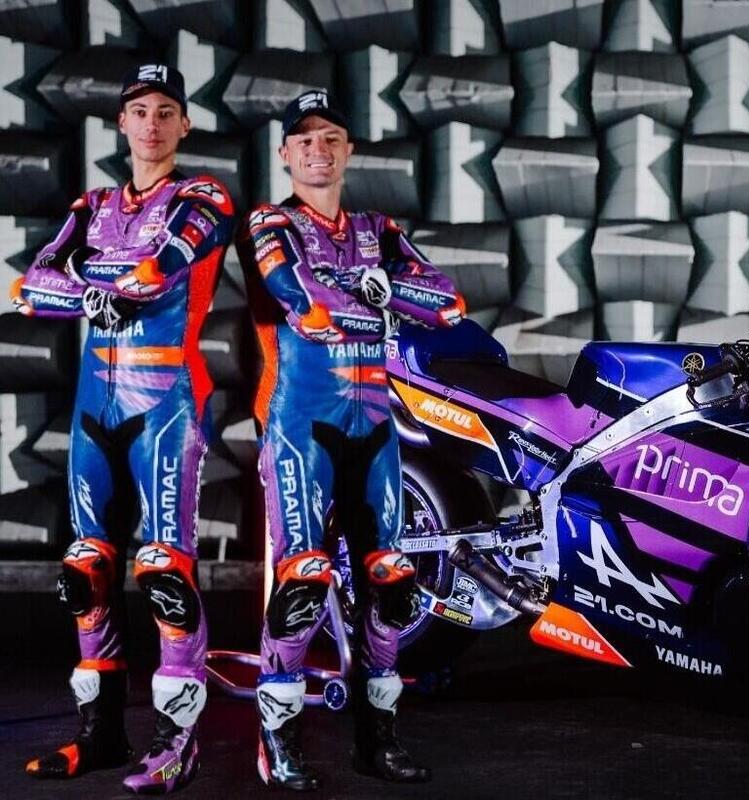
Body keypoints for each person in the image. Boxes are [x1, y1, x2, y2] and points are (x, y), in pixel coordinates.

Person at [12, 63, 234, 794]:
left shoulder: (204, 197)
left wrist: (85, 272)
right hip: (93, 408)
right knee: (86, 571)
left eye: (166, 111)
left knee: (166, 571)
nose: (152, 124)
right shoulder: (94, 203)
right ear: (121, 123)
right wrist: (90, 286)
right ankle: (100, 734)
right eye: (140, 111)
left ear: (185, 125)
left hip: (166, 403)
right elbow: (30, 288)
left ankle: (178, 744)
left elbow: (155, 272)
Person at [236, 89, 466, 791]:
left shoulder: (378, 228)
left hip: (374, 427)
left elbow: (449, 303)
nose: (318, 149)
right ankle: (278, 744)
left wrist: (381, 286)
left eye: (331, 137)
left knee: (392, 583)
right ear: (285, 153)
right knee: (303, 583)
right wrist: (382, 293)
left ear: (349, 150)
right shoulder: (268, 222)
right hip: (300, 426)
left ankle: (379, 742)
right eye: (304, 140)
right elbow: (304, 303)